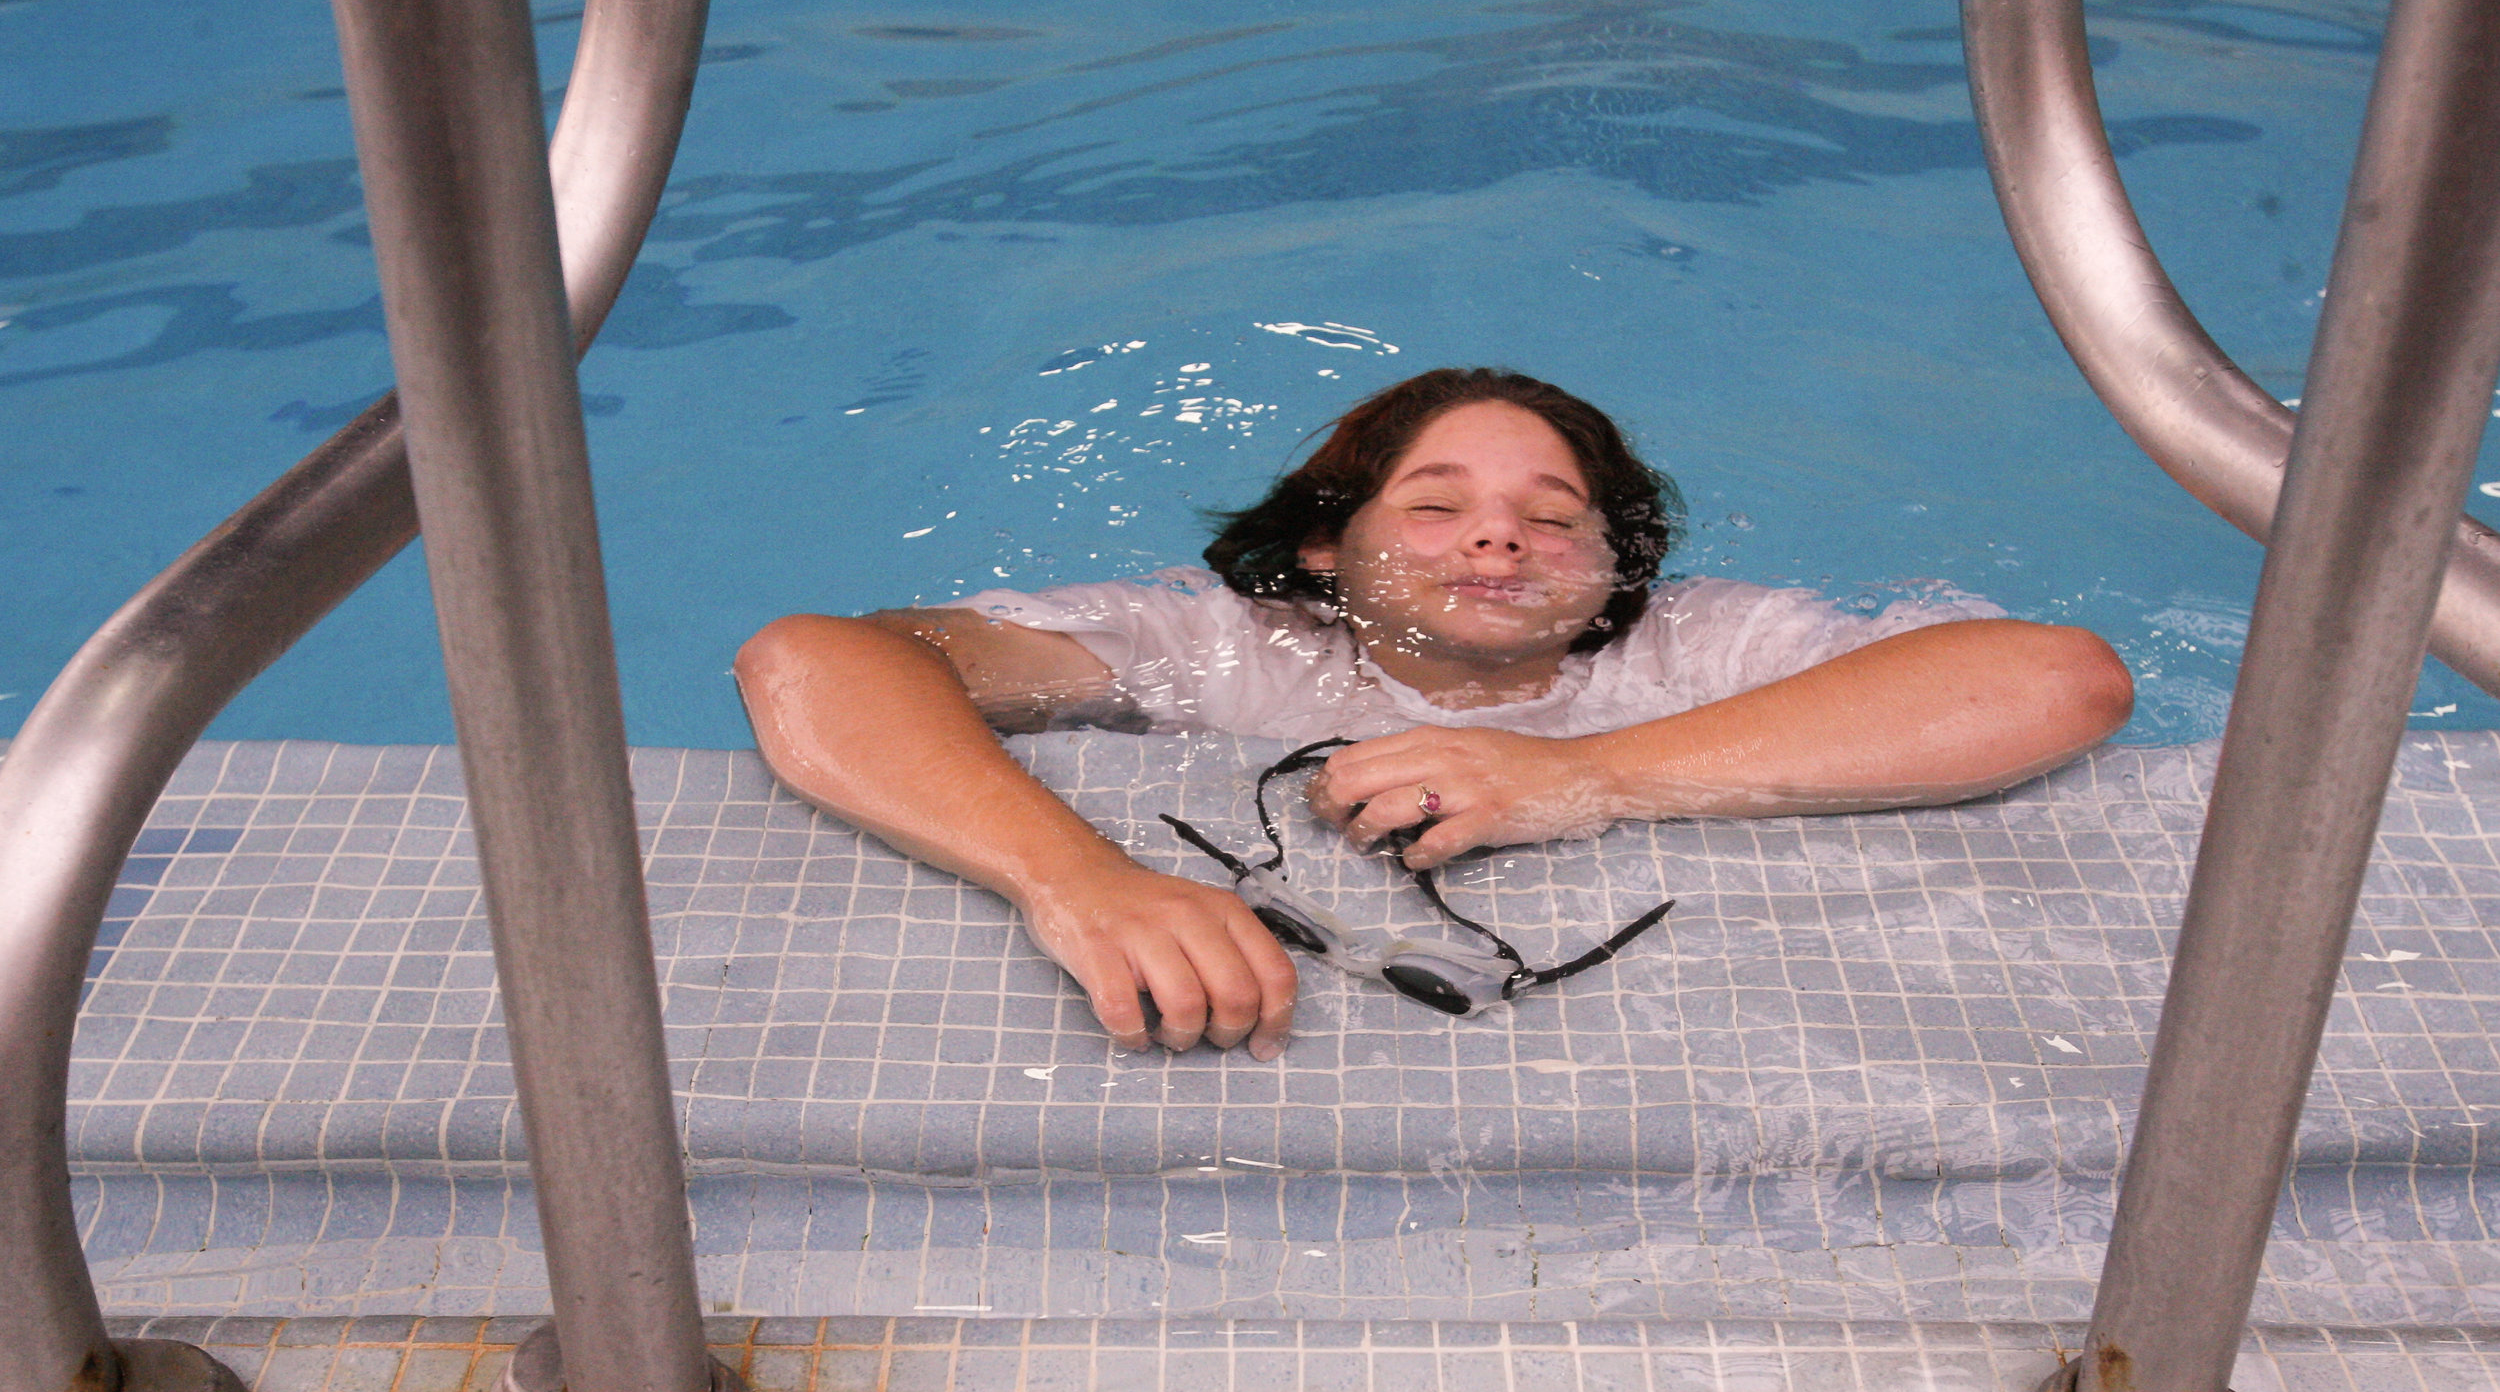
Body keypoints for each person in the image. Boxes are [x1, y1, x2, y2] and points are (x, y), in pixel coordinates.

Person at [736, 369, 2134, 1063]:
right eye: (1437, 504)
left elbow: (2056, 682)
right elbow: (813, 659)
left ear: (1617, 566)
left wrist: (1579, 777)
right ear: (1331, 548)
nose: (1499, 543)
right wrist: (1075, 877)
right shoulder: (1223, 650)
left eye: (1554, 515)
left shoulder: (1704, 646)